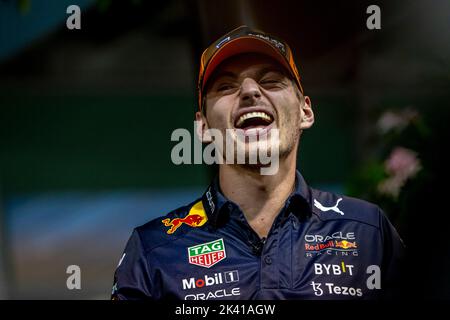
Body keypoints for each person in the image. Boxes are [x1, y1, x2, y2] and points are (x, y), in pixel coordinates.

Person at [111, 25, 405, 300]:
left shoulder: (368, 232)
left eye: (270, 81)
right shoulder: (154, 249)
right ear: (202, 128)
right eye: (226, 87)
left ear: (305, 112)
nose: (250, 91)